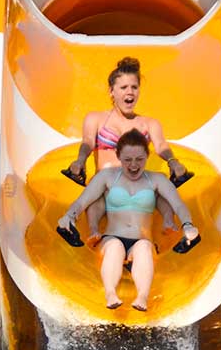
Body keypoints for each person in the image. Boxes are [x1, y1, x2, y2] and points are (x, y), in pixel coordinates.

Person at [56, 129, 200, 312]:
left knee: (144, 247)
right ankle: (110, 293)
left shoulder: (156, 180)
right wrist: (69, 216)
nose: (133, 165)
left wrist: (187, 224)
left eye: (139, 159)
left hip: (142, 239)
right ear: (118, 157)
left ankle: (142, 296)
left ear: (147, 157)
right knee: (115, 246)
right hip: (111, 238)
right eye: (128, 160)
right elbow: (82, 202)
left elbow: (178, 205)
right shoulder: (107, 177)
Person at [61, 57, 194, 232]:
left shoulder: (149, 123)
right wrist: (80, 161)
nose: (130, 92)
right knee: (96, 188)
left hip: (136, 184)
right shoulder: (96, 118)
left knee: (160, 185)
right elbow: (87, 141)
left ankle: (169, 222)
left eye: (134, 87)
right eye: (123, 87)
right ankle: (93, 230)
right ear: (111, 91)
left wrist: (173, 162)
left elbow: (161, 145)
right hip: (107, 184)